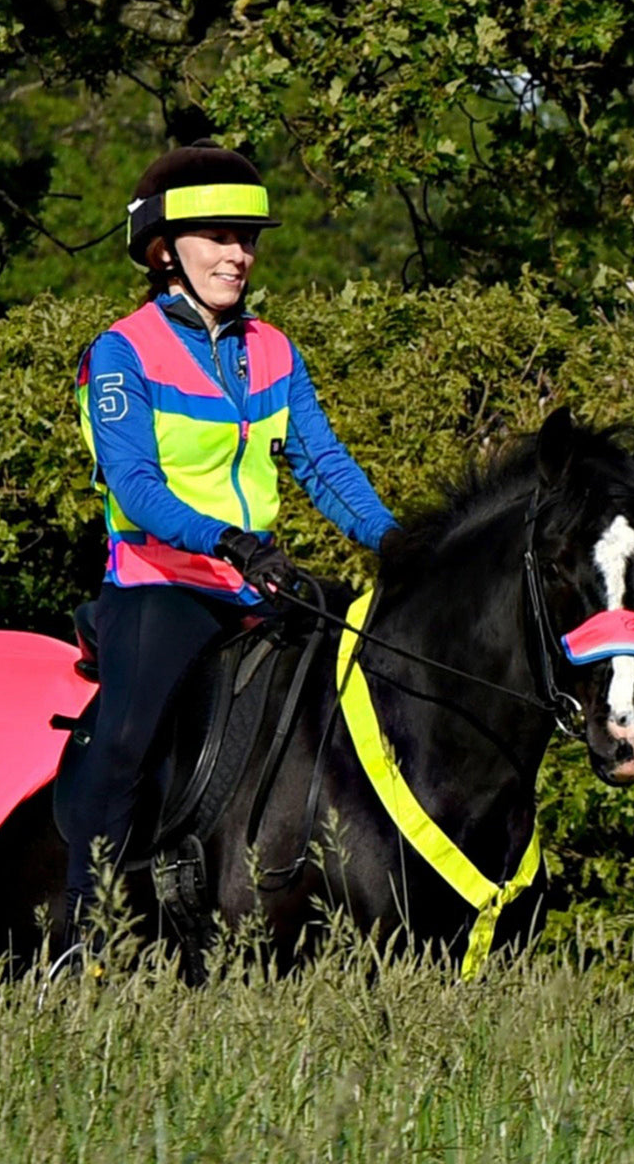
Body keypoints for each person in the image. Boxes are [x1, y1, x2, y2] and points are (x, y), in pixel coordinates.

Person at [64, 138, 397, 944]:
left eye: (247, 239)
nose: (238, 254)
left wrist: (400, 544)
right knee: (125, 745)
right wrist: (227, 540)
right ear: (164, 251)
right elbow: (136, 487)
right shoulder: (120, 354)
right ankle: (80, 941)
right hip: (161, 585)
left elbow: (324, 465)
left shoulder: (274, 349)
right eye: (218, 237)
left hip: (259, 586)